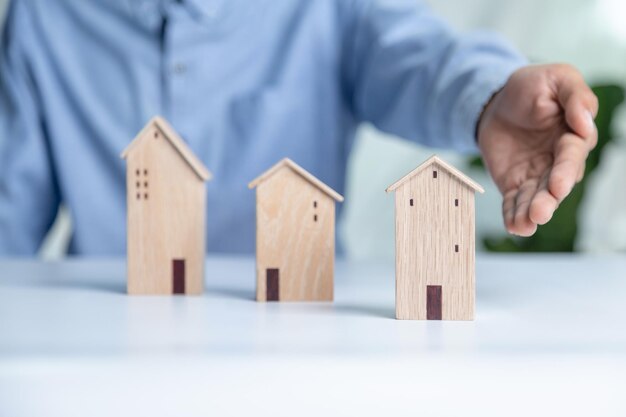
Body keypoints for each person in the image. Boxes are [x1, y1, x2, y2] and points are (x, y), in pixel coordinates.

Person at [0, 0, 598, 255]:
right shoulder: (46, 16)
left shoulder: (329, 8)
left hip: (299, 349)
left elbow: (419, 56)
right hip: (106, 362)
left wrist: (493, 96)